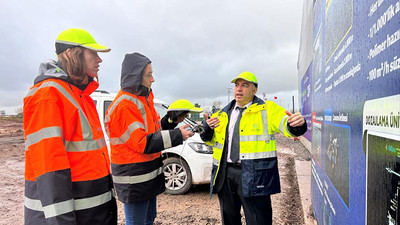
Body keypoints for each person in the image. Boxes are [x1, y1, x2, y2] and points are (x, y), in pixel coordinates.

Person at [23, 28, 117, 224]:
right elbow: (50, 170)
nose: (99, 60)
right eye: (93, 53)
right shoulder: (48, 96)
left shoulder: (81, 96)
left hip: (92, 213)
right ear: (70, 53)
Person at [200, 71, 307, 225]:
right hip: (226, 175)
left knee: (258, 220)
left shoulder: (267, 109)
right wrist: (207, 130)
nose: (239, 89)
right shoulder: (223, 113)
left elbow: (286, 125)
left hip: (255, 175)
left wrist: (296, 124)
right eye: (237, 85)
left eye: (245, 85)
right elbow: (212, 142)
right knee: (229, 219)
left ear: (254, 90)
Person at [104, 52, 197, 225]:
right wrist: (179, 135)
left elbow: (154, 131)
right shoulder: (125, 106)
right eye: (149, 75)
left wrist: (171, 121)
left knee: (148, 220)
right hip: (134, 180)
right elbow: (143, 142)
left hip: (146, 177)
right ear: (136, 76)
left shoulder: (142, 100)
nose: (153, 79)